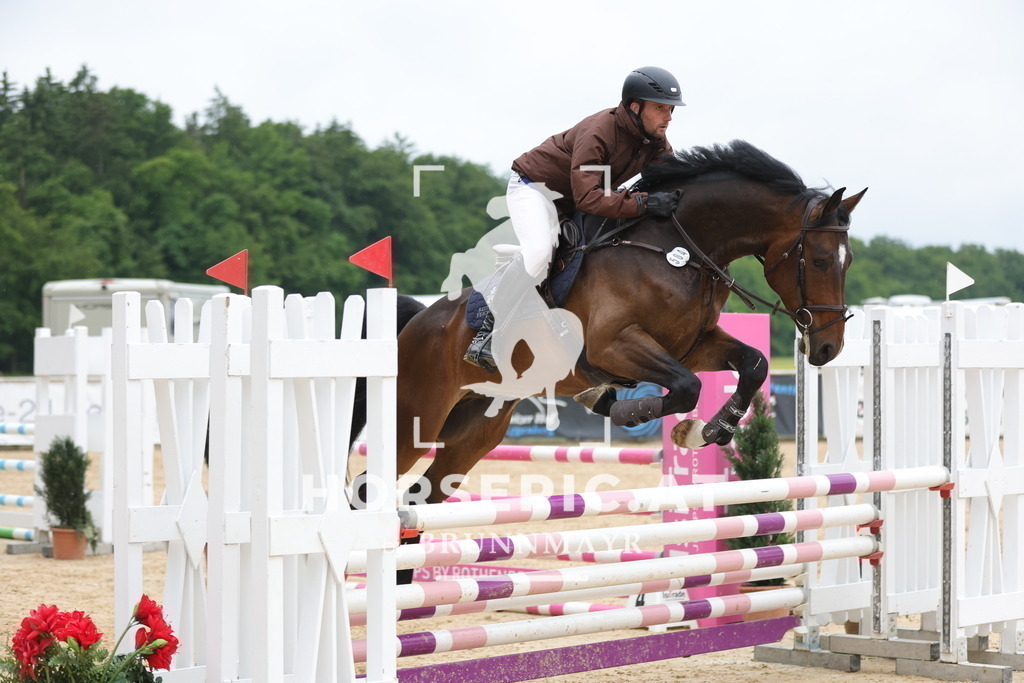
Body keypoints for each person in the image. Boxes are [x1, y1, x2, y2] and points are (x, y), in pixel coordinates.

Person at [464, 66, 685, 372]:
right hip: (536, 190)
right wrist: (643, 203)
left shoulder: (655, 141)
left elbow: (673, 182)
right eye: (660, 108)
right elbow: (589, 198)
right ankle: (489, 332)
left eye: (671, 109)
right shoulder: (599, 132)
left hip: (578, 199)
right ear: (635, 107)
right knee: (540, 252)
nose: (669, 117)